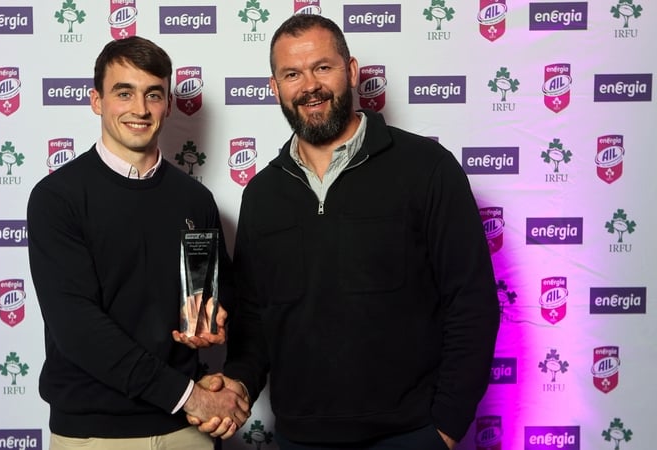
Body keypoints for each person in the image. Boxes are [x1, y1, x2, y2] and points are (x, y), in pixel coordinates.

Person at [192, 14, 500, 449]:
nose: (310, 85)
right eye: (292, 74)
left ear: (351, 71)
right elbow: (256, 318)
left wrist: (446, 427)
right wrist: (239, 382)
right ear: (274, 87)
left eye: (323, 67)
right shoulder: (263, 193)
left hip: (410, 435)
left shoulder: (426, 168)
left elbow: (471, 302)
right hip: (301, 439)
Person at [26, 36, 249, 449]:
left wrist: (213, 317)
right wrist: (189, 396)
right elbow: (78, 328)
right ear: (97, 101)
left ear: (168, 104)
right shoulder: (57, 198)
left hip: (187, 431)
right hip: (94, 433)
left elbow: (212, 292)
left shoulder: (194, 199)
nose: (140, 109)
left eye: (153, 95)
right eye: (123, 93)